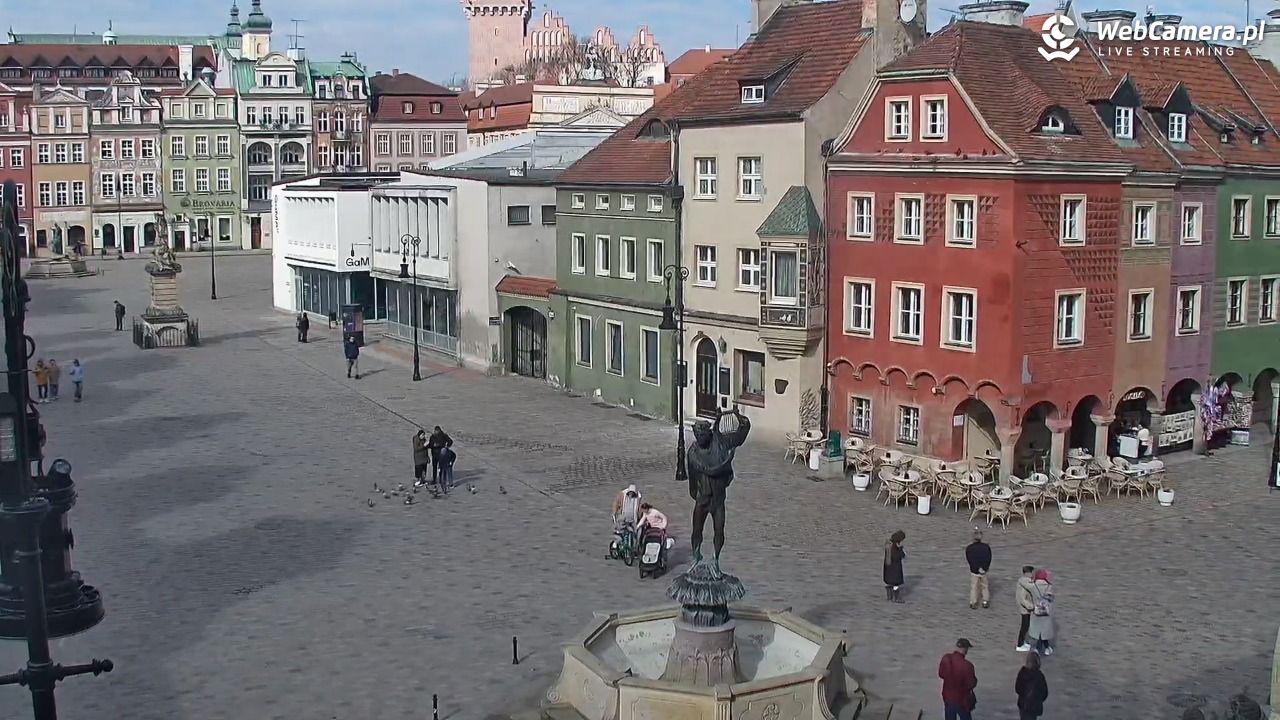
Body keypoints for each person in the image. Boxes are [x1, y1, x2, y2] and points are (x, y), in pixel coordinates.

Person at [938, 638, 978, 720]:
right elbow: (971, 684)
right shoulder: (968, 665)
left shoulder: (946, 658)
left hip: (948, 697)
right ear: (965, 649)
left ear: (956, 647)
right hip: (962, 700)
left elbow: (941, 674)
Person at [1027, 569, 1055, 656]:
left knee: (1038, 631)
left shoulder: (1033, 586)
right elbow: (1051, 599)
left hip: (1036, 610)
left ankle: (1038, 648)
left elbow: (1029, 597)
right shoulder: (1049, 587)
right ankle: (1046, 648)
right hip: (1046, 612)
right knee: (1043, 631)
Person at [1015, 651, 1050, 720]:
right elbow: (1044, 693)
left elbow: (1017, 689)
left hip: (1023, 704)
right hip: (1034, 706)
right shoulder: (1039, 676)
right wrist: (1038, 699)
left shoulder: (1022, 673)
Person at [966, 528, 992, 609]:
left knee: (974, 587)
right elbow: (989, 558)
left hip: (974, 571)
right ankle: (985, 601)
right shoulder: (986, 547)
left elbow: (970, 560)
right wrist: (984, 568)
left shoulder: (969, 548)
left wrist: (976, 568)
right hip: (984, 571)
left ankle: (973, 602)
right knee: (985, 586)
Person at [1015, 565, 1036, 652]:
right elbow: (1023, 599)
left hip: (1025, 608)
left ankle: (1022, 642)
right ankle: (1019, 644)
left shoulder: (1025, 582)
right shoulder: (1025, 583)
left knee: (1026, 626)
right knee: (1024, 626)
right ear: (1028, 573)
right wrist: (1031, 607)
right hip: (1025, 609)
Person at [883, 530, 906, 603]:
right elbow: (900, 556)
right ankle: (896, 598)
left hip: (888, 568)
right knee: (895, 584)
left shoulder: (888, 545)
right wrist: (900, 549)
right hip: (895, 569)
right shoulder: (895, 547)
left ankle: (889, 596)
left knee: (890, 582)